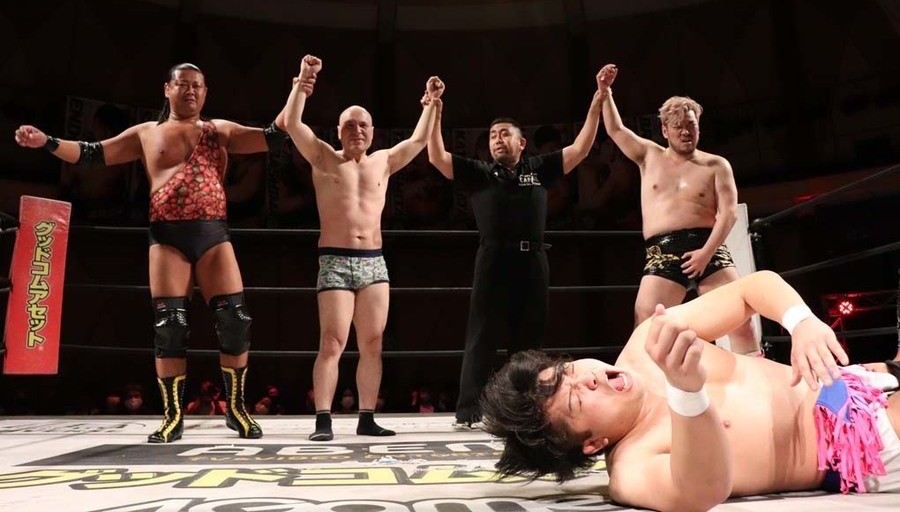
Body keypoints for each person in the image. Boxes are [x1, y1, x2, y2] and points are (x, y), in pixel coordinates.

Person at [14, 62, 303, 443]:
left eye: (197, 85)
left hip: (213, 234)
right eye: (183, 84)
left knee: (235, 319)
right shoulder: (146, 133)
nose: (191, 91)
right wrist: (47, 142)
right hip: (168, 237)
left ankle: (236, 409)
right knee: (170, 326)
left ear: (206, 92)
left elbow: (275, 136)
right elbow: (91, 153)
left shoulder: (220, 131)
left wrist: (300, 89)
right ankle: (173, 416)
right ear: (167, 89)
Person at [481, 270, 900, 511]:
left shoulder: (648, 340)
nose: (588, 378)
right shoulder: (631, 469)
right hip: (861, 445)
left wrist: (801, 321)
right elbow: (701, 491)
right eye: (576, 399)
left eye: (569, 371)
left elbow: (750, 289)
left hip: (854, 380)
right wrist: (687, 393)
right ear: (592, 444)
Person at [427, 65, 614, 428]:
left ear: (521, 142)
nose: (497, 140)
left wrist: (599, 98)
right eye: (492, 135)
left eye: (504, 134)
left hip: (533, 260)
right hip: (492, 258)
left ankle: (522, 410)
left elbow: (581, 148)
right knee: (481, 335)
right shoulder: (480, 173)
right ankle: (469, 412)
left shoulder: (538, 169)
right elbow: (437, 157)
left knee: (528, 340)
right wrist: (436, 108)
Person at [281, 54, 444, 441]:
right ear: (338, 131)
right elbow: (292, 124)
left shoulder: (383, 161)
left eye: (363, 125)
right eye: (349, 125)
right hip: (335, 260)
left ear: (373, 132)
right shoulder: (323, 157)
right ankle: (323, 419)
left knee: (372, 343)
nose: (357, 130)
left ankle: (367, 416)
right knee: (332, 341)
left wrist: (432, 103)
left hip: (373, 261)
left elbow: (418, 141)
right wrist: (302, 83)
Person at [598, 66, 758, 354]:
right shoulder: (649, 156)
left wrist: (706, 253)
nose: (685, 131)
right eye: (678, 126)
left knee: (741, 319)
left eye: (690, 125)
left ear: (699, 127)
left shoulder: (716, 165)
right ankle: (645, 380)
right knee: (645, 322)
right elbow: (615, 130)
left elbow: (729, 213)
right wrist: (605, 92)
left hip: (708, 246)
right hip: (663, 250)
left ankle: (755, 377)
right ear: (665, 131)